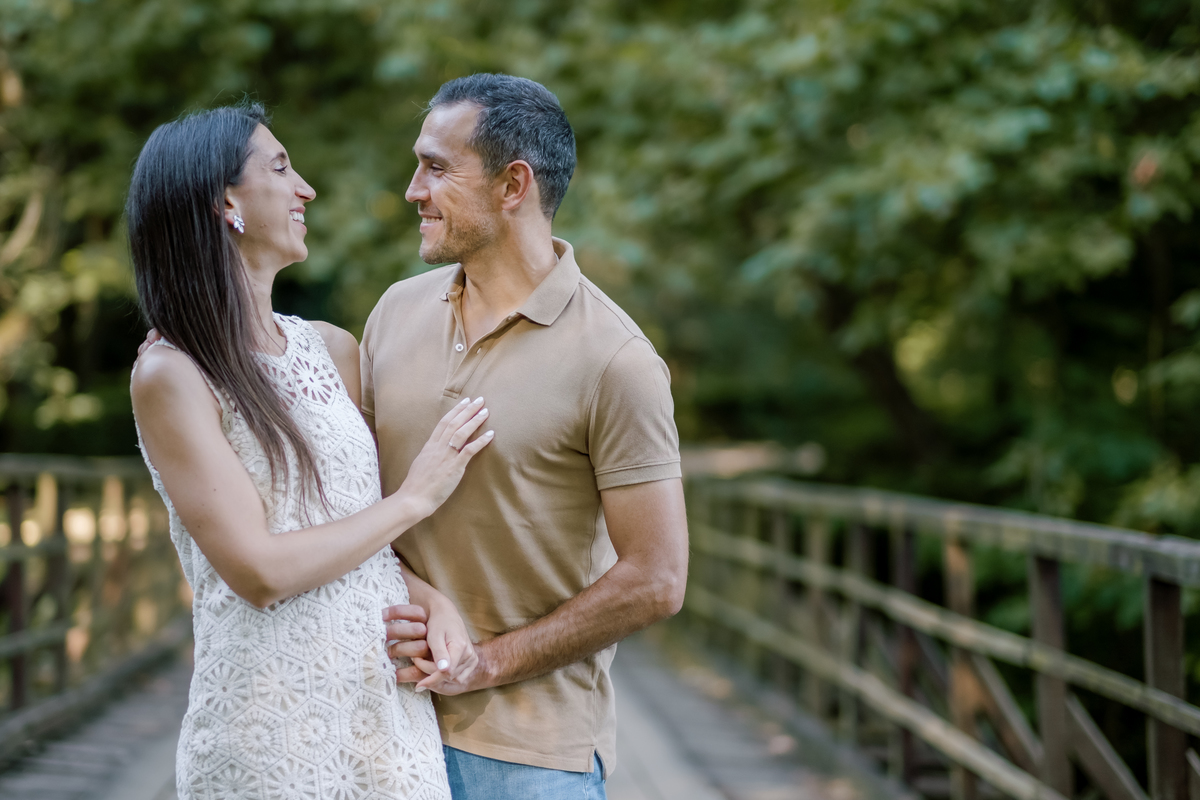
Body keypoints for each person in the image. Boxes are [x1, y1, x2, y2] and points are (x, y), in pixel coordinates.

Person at [127, 102, 492, 800]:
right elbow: (260, 569)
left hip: (383, 717)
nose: (307, 189)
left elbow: (358, 541)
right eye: (282, 167)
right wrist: (416, 495)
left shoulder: (332, 348)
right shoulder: (172, 374)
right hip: (270, 727)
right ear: (224, 200)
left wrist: (430, 599)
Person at [363, 74, 690, 800]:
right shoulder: (394, 311)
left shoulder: (616, 359)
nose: (414, 189)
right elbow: (341, 481)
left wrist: (488, 663)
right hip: (375, 725)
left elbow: (658, 578)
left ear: (514, 185)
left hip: (528, 758)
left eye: (437, 167)